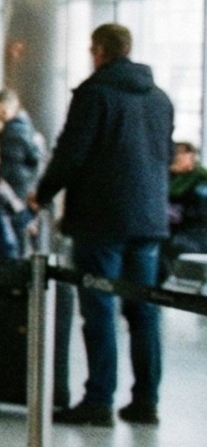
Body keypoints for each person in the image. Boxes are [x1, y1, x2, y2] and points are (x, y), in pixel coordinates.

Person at [33, 22, 175, 426]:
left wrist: (42, 194)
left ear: (98, 51)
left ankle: (99, 400)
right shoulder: (160, 98)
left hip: (101, 219)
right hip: (148, 221)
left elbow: (70, 154)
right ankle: (146, 400)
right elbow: (163, 155)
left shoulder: (94, 94)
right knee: (144, 312)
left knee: (98, 308)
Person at [0, 88, 45, 259]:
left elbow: (3, 177)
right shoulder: (28, 130)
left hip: (10, 206)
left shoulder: (10, 135)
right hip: (22, 201)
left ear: (3, 109)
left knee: (8, 260)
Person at [167, 141, 207, 271]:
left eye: (181, 154)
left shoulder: (200, 181)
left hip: (192, 235)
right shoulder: (165, 179)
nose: (176, 158)